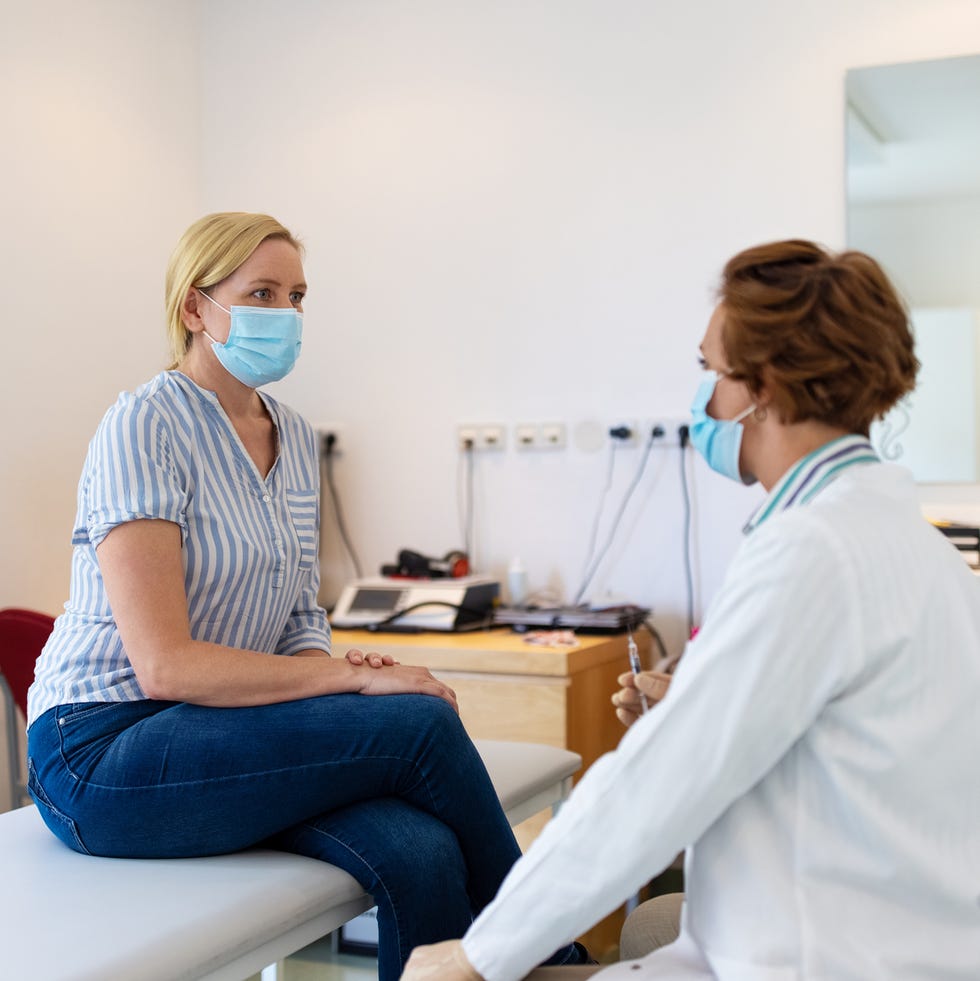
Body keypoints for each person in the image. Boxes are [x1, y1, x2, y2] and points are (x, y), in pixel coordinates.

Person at [26, 212, 589, 981]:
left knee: (419, 850)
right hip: (104, 749)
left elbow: (297, 619)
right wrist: (351, 680)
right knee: (416, 723)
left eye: (296, 295)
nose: (286, 314)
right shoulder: (143, 425)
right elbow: (166, 666)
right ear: (196, 308)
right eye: (262, 292)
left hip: (223, 731)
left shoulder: (291, 438)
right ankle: (555, 954)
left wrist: (332, 692)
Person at [401, 239, 980, 980]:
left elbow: (648, 790)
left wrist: (474, 955)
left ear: (762, 386)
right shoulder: (910, 543)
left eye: (709, 371)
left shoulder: (813, 551)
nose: (701, 398)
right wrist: (699, 702)